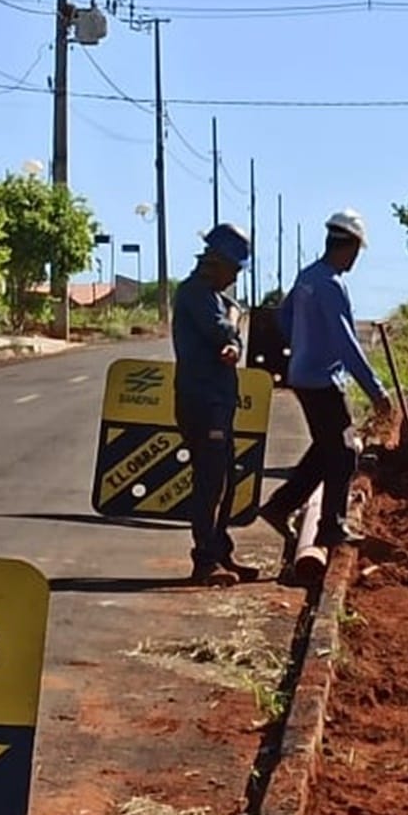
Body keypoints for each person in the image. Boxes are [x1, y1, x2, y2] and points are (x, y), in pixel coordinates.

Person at [259, 209, 393, 548]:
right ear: (347, 248)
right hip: (321, 380)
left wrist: (303, 344)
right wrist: (376, 391)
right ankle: (331, 527)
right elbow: (346, 343)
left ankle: (279, 507)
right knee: (345, 452)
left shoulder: (307, 277)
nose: (355, 260)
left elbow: (284, 319)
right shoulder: (331, 285)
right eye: (357, 253)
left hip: (302, 375)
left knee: (326, 448)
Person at [173, 223, 260, 584]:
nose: (234, 277)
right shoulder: (195, 293)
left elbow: (230, 339)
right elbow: (221, 331)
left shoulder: (216, 299)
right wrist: (234, 328)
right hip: (202, 400)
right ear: (217, 261)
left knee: (225, 477)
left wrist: (234, 334)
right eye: (234, 269)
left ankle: (221, 552)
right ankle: (205, 560)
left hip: (218, 402)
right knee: (210, 482)